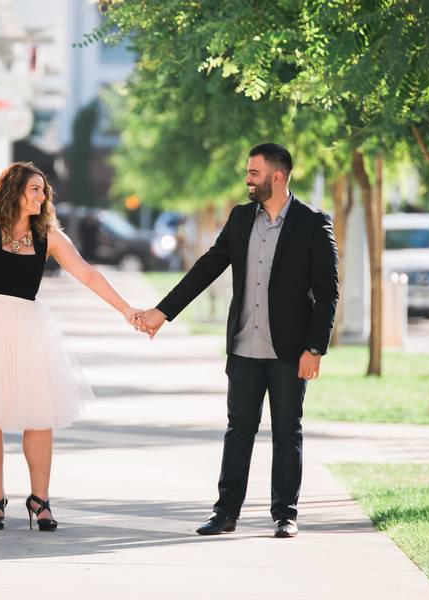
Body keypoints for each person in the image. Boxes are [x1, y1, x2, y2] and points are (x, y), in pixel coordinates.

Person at [0, 162, 142, 532]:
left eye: (43, 190)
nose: (42, 196)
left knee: (40, 415)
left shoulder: (48, 235)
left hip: (29, 329)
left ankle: (40, 499)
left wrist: (127, 309)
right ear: (14, 192)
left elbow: (88, 273)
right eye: (35, 189)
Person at [135, 143, 339, 538]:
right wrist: (163, 312)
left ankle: (285, 514)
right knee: (238, 429)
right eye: (247, 172)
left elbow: (328, 292)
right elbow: (207, 267)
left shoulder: (313, 222)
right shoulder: (242, 218)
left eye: (254, 173)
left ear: (277, 176)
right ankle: (225, 512)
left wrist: (315, 348)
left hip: (288, 350)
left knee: (287, 430)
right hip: (244, 346)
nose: (247, 179)